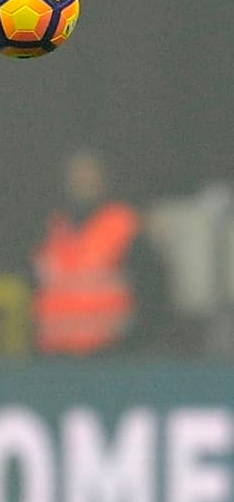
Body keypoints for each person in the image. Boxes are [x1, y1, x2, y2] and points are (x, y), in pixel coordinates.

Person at [32, 149, 172, 356]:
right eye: (77, 172)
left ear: (104, 177)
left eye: (89, 171)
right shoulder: (51, 226)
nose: (83, 179)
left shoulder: (124, 224)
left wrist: (138, 346)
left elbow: (153, 289)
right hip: (54, 356)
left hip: (111, 356)